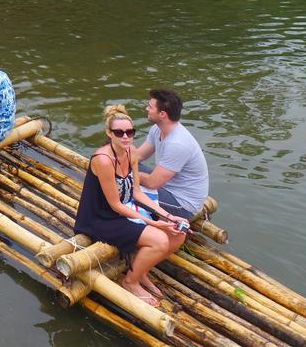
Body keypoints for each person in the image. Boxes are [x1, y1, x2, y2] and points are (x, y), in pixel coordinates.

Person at [74, 105, 188, 307]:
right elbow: (115, 205)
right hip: (101, 218)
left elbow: (136, 192)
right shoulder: (104, 160)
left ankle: (141, 272)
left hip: (123, 209)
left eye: (130, 132)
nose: (125, 137)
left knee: (179, 233)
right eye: (119, 132)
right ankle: (131, 281)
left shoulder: (131, 153)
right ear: (109, 133)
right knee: (160, 239)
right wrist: (153, 224)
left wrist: (168, 217)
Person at [135, 88, 210, 221]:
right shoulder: (157, 129)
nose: (147, 109)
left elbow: (153, 183)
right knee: (130, 168)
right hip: (167, 188)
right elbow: (138, 156)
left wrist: (127, 175)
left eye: (150, 107)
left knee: (124, 187)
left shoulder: (177, 144)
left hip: (182, 205)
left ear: (162, 114)